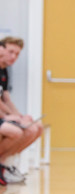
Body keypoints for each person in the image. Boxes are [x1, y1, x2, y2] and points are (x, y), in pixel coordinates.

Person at [0, 36, 43, 185]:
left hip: (2, 116)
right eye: (11, 52)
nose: (14, 57)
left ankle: (4, 164)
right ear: (1, 49)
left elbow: (6, 98)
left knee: (35, 128)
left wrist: (19, 116)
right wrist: (9, 117)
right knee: (15, 131)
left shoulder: (4, 71)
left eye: (17, 54)